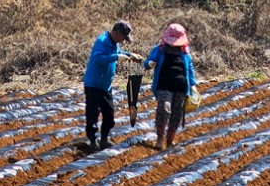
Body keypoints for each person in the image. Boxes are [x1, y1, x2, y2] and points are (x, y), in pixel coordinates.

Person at [82, 19, 138, 149]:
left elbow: (116, 54)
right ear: (117, 33)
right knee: (93, 114)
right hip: (94, 84)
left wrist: (129, 55)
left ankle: (104, 139)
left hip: (105, 85)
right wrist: (116, 57)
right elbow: (98, 58)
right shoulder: (102, 41)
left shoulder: (114, 43)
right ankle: (92, 141)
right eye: (123, 37)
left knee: (109, 115)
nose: (123, 40)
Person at [145, 21, 197, 151]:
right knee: (164, 108)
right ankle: (159, 138)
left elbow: (189, 68)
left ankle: (170, 140)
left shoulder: (185, 51)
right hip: (164, 85)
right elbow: (147, 63)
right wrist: (150, 63)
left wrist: (193, 86)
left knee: (176, 113)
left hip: (181, 87)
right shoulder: (160, 49)